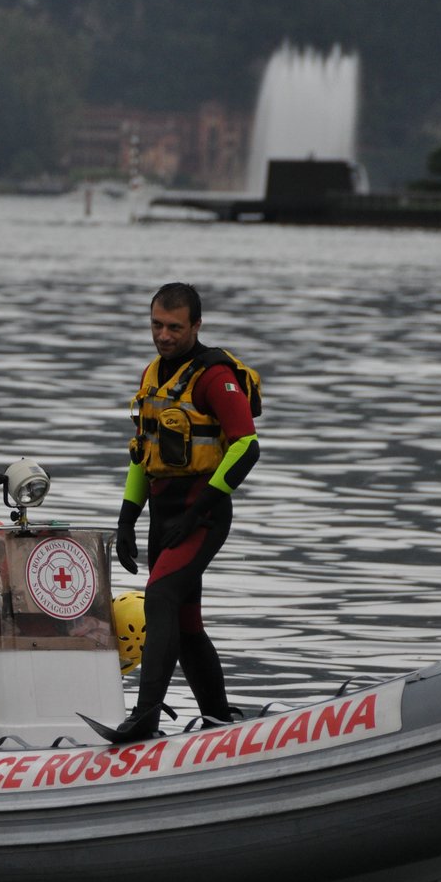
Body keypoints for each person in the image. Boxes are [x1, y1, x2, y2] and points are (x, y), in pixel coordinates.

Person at [113, 282, 260, 742]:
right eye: (157, 325)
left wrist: (202, 508)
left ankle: (145, 718)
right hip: (164, 512)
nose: (164, 335)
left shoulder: (214, 376)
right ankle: (218, 717)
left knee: (158, 598)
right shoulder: (153, 374)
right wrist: (126, 517)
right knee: (185, 620)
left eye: (175, 327)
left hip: (204, 511)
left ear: (196, 325)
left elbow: (247, 447)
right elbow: (142, 453)